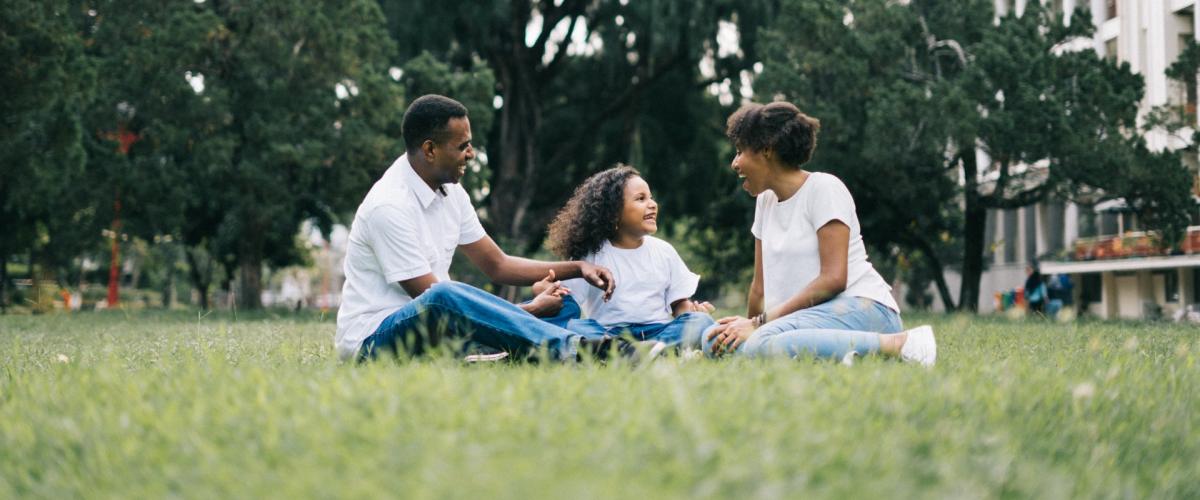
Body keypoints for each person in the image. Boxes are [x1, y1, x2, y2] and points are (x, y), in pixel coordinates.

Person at [336, 94, 633, 363]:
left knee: (563, 306)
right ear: (430, 150)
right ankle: (575, 348)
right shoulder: (388, 206)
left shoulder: (452, 193)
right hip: (374, 341)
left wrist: (579, 268)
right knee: (444, 294)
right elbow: (434, 303)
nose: (472, 153)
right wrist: (527, 312)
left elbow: (498, 265)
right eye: (463, 146)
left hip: (440, 329)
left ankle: (609, 343)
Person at [702, 101, 937, 366]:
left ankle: (900, 343)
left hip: (861, 308)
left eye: (739, 151)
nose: (734, 163)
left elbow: (833, 279)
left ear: (766, 149)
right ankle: (840, 354)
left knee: (761, 343)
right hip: (802, 320)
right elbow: (759, 288)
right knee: (713, 341)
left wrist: (759, 325)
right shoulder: (765, 202)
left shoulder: (824, 189)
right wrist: (744, 328)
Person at [540, 165, 717, 352]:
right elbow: (568, 302)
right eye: (641, 199)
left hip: (658, 330)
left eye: (651, 197)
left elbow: (679, 304)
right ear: (613, 212)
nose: (652, 204)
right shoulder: (590, 256)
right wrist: (547, 290)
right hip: (609, 335)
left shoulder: (664, 251)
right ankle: (637, 351)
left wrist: (690, 313)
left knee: (700, 321)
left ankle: (648, 351)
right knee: (576, 327)